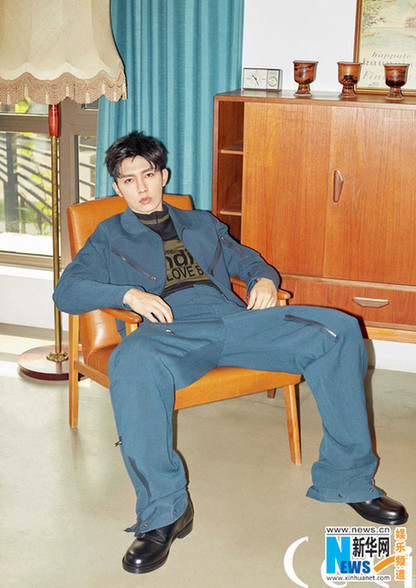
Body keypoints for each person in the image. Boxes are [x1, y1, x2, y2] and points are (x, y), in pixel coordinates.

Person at [53, 131, 408, 575]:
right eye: (128, 180)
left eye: (148, 175)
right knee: (132, 360)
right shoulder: (109, 235)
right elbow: (67, 291)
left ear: (163, 175)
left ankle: (349, 479)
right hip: (172, 332)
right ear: (116, 187)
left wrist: (265, 280)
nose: (141, 188)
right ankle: (164, 512)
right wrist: (127, 294)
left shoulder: (201, 223)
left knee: (336, 330)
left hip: (237, 322)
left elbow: (248, 261)